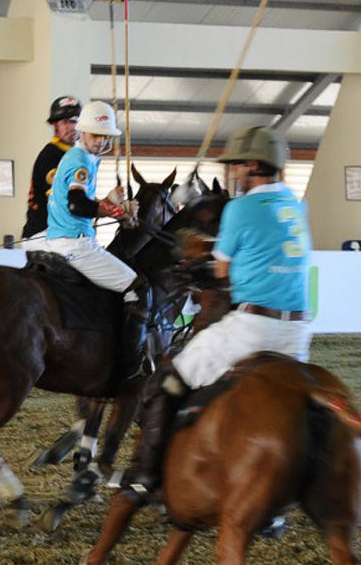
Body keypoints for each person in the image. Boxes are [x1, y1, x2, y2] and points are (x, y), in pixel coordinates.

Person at [116, 125, 311, 505]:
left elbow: (221, 271)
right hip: (298, 332)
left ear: (253, 165)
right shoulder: (295, 205)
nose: (234, 171)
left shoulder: (241, 207)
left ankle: (146, 476)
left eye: (238, 165)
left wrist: (201, 258)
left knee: (170, 381)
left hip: (255, 327)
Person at [44, 100, 139, 293]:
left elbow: (82, 199)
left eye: (105, 136)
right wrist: (116, 212)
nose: (100, 141)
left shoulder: (83, 156)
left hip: (63, 240)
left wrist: (109, 201)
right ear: (82, 132)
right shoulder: (80, 160)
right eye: (95, 135)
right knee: (136, 286)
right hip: (75, 243)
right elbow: (77, 205)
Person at [22, 96, 82, 243]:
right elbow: (61, 202)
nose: (71, 127)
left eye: (74, 121)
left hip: (58, 234)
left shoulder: (72, 155)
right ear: (55, 124)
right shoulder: (51, 156)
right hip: (43, 236)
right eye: (65, 122)